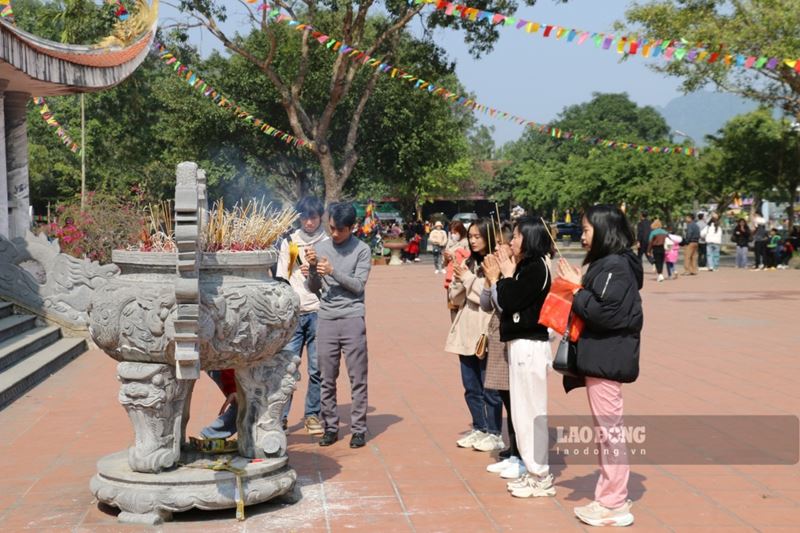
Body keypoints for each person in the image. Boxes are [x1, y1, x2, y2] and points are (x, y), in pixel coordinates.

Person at [557, 205, 642, 528]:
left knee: (610, 433)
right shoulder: (611, 265)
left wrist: (576, 288)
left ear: (604, 231)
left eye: (586, 230)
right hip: (603, 358)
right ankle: (610, 496)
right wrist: (581, 284)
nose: (582, 235)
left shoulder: (615, 266)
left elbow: (604, 313)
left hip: (607, 359)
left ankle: (614, 502)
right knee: (607, 432)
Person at [484, 217, 555, 499]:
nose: (511, 241)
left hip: (530, 345)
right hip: (519, 343)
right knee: (521, 412)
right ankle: (532, 469)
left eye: (515, 236)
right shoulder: (526, 266)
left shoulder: (536, 268)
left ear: (530, 238)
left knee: (531, 411)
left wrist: (502, 276)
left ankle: (541, 475)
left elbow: (508, 301)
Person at [306, 202, 373, 448]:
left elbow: (358, 285)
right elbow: (313, 288)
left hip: (352, 317)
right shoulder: (321, 247)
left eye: (340, 230)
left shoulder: (362, 250)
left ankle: (358, 429)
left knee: (358, 378)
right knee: (326, 377)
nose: (334, 234)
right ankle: (330, 427)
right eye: (332, 228)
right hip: (326, 318)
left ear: (352, 228)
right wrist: (313, 268)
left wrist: (332, 271)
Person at [445, 219, 504, 452]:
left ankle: (495, 432)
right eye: (470, 236)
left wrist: (469, 279)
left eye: (478, 236)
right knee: (471, 386)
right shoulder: (467, 262)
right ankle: (480, 427)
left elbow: (487, 298)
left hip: (485, 331)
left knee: (490, 387)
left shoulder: (495, 263)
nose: (473, 240)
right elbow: (455, 297)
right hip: (466, 330)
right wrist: (460, 280)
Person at [275, 196, 328, 435]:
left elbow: (333, 277)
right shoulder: (290, 242)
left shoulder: (327, 243)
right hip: (294, 313)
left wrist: (317, 272)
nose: (309, 222)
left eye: (313, 217)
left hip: (319, 311)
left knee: (317, 368)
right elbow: (282, 277)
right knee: (286, 368)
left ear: (320, 217)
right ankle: (280, 416)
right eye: (305, 217)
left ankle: (312, 415)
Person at [480, 224, 525, 479]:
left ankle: (520, 452)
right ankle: (514, 449)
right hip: (497, 337)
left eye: (501, 243)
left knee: (516, 400)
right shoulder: (498, 269)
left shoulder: (517, 271)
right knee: (506, 397)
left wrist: (498, 280)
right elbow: (487, 304)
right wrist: (490, 281)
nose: (496, 247)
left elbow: (505, 304)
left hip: (512, 339)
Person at [443, 221, 470, 319]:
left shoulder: (466, 242)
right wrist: (446, 257)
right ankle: (454, 326)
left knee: (462, 306)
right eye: (451, 232)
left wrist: (454, 256)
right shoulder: (450, 243)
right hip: (450, 278)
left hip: (461, 278)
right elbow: (445, 263)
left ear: (461, 231)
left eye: (455, 232)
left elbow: (468, 259)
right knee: (452, 306)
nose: (453, 235)